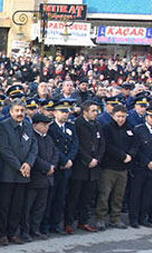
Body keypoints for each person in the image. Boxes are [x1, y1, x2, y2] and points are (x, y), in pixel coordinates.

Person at [0, 99, 37, 245]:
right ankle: (2, 234)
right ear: (11, 112)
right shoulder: (4, 125)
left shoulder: (28, 125)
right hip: (8, 173)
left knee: (17, 206)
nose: (20, 113)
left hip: (24, 174)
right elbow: (5, 150)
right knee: (4, 206)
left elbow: (33, 146)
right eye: (16, 111)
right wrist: (20, 166)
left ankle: (13, 233)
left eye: (22, 110)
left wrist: (28, 163)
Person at [67, 100, 104, 232]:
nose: (96, 113)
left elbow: (101, 144)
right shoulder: (77, 124)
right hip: (80, 166)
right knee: (74, 196)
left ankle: (84, 221)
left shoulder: (97, 124)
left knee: (87, 197)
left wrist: (97, 159)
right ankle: (69, 223)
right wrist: (88, 159)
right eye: (93, 111)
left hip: (94, 167)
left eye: (97, 110)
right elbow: (77, 145)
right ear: (85, 112)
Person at [96, 104, 135, 230]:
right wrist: (122, 156)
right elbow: (107, 146)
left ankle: (115, 218)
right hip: (109, 167)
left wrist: (130, 155)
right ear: (113, 116)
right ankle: (100, 218)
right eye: (118, 116)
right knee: (104, 195)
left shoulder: (129, 128)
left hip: (123, 168)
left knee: (119, 196)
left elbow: (135, 144)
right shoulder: (107, 128)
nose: (121, 119)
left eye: (123, 116)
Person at [45, 99, 79, 235]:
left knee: (61, 197)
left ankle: (56, 223)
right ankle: (46, 224)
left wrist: (70, 159)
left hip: (67, 167)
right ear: (54, 113)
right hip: (56, 167)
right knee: (50, 197)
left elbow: (75, 144)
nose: (65, 115)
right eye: (62, 112)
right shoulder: (51, 128)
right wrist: (64, 160)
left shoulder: (71, 127)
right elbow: (53, 147)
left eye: (67, 112)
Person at [23, 114, 58, 241]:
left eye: (47, 125)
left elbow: (55, 153)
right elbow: (34, 157)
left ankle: (35, 229)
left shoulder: (48, 138)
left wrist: (52, 166)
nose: (46, 127)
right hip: (34, 178)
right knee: (28, 207)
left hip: (47, 178)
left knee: (40, 206)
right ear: (35, 125)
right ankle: (25, 231)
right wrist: (46, 167)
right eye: (43, 125)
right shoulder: (31, 137)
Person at [128, 111, 152, 228]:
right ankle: (134, 219)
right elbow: (136, 148)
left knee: (148, 194)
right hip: (140, 166)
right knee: (136, 194)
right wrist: (147, 162)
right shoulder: (139, 129)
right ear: (147, 117)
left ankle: (143, 218)